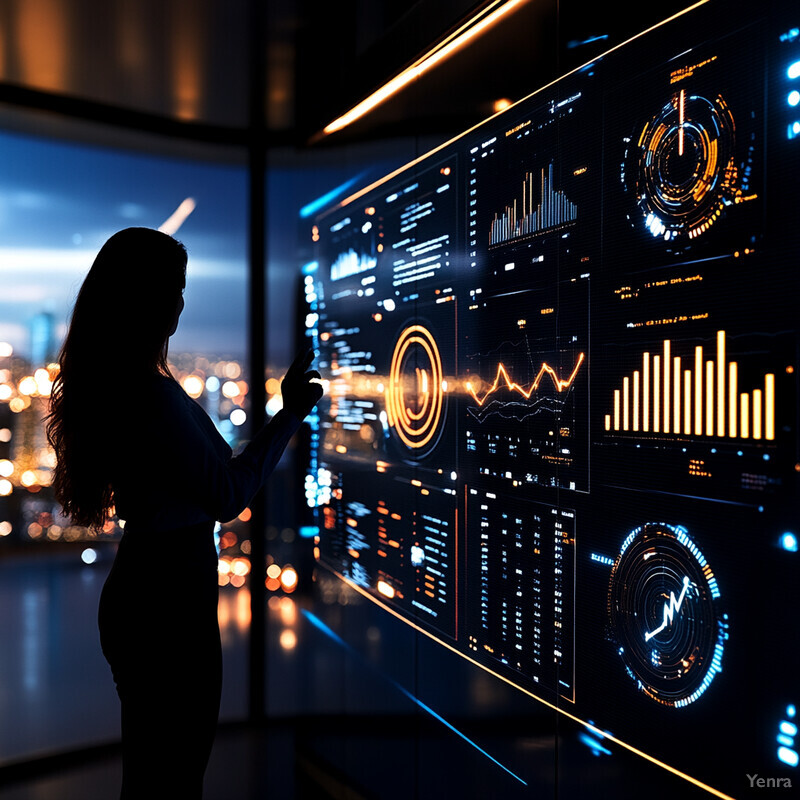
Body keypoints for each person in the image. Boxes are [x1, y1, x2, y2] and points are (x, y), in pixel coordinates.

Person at [45, 226, 322, 798]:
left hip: (146, 590)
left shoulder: (126, 388)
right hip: (169, 603)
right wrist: (291, 414)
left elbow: (214, 476)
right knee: (173, 777)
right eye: (175, 287)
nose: (181, 301)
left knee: (152, 775)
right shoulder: (152, 398)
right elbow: (227, 494)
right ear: (145, 298)